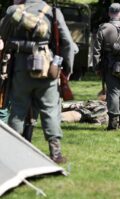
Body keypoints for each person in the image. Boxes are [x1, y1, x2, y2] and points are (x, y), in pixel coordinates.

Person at [0, 0, 75, 163]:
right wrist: (67, 69)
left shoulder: (14, 11)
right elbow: (67, 43)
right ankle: (56, 154)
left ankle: (14, 153)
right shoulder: (52, 12)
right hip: (47, 68)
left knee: (18, 109)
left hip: (20, 69)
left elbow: (3, 36)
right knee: (50, 110)